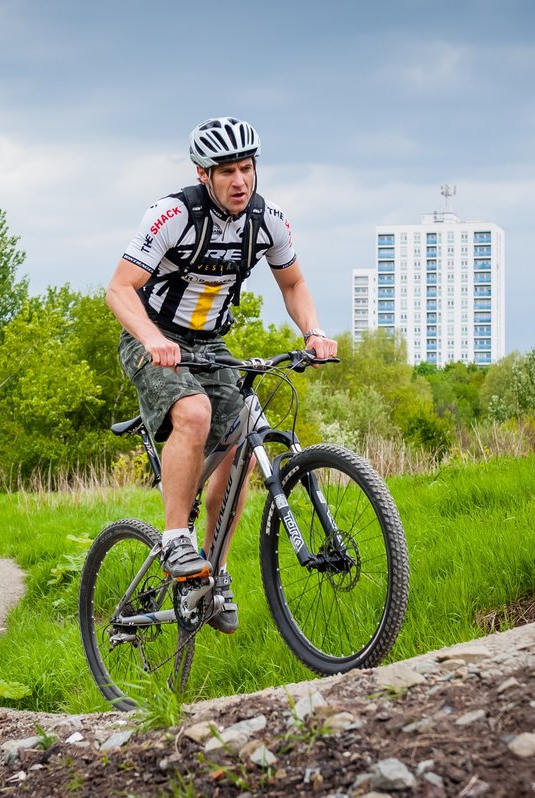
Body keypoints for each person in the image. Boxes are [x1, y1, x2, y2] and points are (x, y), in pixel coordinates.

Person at [106, 116, 338, 634]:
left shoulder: (268, 221)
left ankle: (216, 571)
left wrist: (314, 332)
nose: (240, 181)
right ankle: (174, 539)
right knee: (194, 412)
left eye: (247, 168)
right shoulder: (172, 215)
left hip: (212, 344)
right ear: (203, 173)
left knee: (239, 451)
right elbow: (120, 290)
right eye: (227, 170)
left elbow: (294, 283)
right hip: (153, 338)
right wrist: (153, 340)